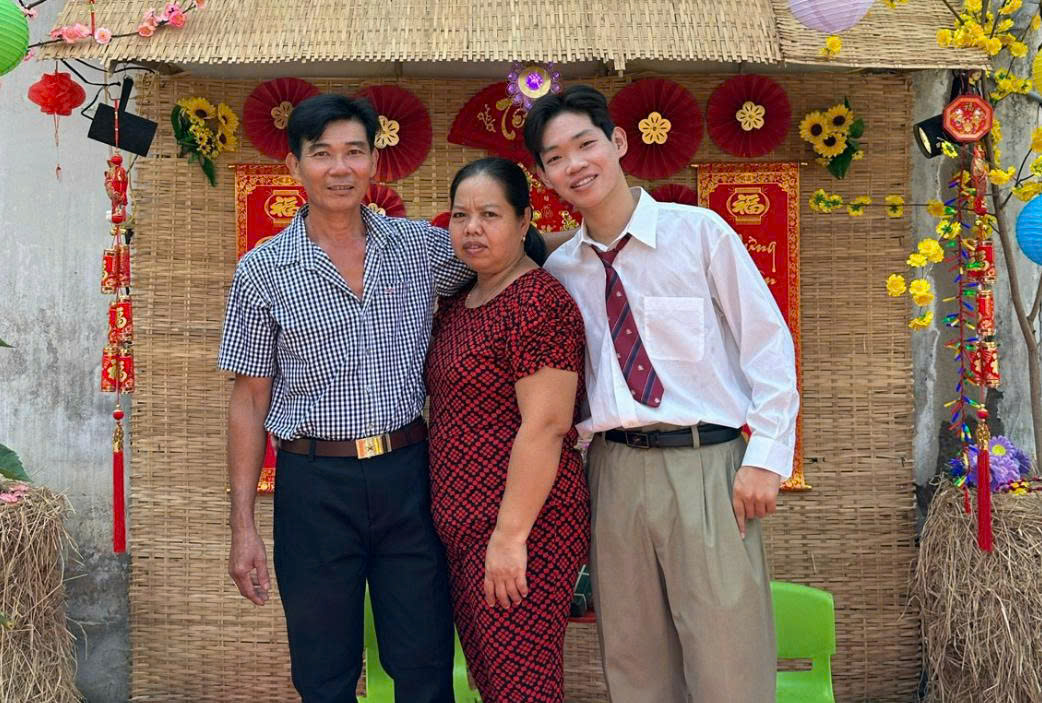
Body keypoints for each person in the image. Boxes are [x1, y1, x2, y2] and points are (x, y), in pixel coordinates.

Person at [524, 85, 800, 702]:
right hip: (613, 471)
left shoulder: (699, 233)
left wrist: (765, 456)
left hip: (707, 464)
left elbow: (768, 345)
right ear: (544, 176)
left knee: (728, 657)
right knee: (634, 658)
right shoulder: (561, 272)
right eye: (556, 157)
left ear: (618, 142)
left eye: (586, 144)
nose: (576, 164)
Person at [217, 93, 470, 703]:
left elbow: (500, 260)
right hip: (314, 487)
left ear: (374, 163)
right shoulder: (262, 270)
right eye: (322, 153)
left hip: (410, 475)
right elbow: (249, 400)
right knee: (323, 670)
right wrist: (242, 525)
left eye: (354, 152)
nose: (340, 168)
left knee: (424, 661)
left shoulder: (421, 248)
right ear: (294, 166)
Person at [424, 157, 591, 703]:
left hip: (523, 530)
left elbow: (547, 426)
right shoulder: (459, 303)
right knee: (495, 684)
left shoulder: (538, 303)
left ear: (524, 222)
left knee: (524, 688)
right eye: (461, 215)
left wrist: (510, 537)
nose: (472, 228)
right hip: (465, 530)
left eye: (490, 215)